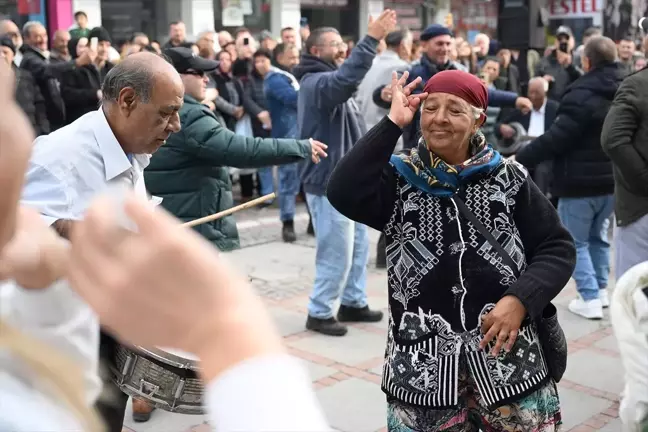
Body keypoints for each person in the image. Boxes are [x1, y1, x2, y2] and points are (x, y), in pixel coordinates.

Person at [327, 69, 575, 431]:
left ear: (479, 120)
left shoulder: (508, 178)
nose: (439, 118)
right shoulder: (398, 177)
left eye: (455, 110)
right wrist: (393, 122)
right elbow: (343, 191)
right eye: (430, 108)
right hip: (422, 368)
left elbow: (557, 246)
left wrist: (521, 298)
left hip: (507, 364)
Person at [19, 51, 183, 431]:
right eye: (166, 112)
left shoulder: (129, 146)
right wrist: (71, 230)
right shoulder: (61, 158)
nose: (174, 125)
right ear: (127, 101)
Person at [144, 47, 327, 253]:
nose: (206, 80)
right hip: (195, 226)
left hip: (170, 220)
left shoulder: (150, 107)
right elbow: (238, 150)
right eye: (199, 73)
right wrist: (299, 147)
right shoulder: (190, 114)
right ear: (175, 77)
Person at [294, 10, 398, 336]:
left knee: (358, 248)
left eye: (344, 44)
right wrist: (370, 39)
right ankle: (319, 310)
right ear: (315, 51)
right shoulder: (316, 83)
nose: (342, 49)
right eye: (335, 45)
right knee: (336, 251)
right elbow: (344, 81)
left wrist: (384, 96)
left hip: (345, 184)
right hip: (326, 184)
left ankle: (353, 301)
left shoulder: (331, 81)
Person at [516, 36, 621, 320]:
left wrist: (521, 158)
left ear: (586, 61)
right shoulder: (625, 86)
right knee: (600, 238)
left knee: (576, 241)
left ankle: (588, 297)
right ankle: (600, 291)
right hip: (613, 180)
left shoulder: (580, 94)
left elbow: (557, 138)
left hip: (579, 183)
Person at [601, 47, 648, 280]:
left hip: (639, 208)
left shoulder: (637, 84)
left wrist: (642, 182)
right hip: (638, 207)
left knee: (634, 297)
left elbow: (612, 138)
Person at [264, 42, 303, 242]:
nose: (296, 60)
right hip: (286, 138)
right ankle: (287, 223)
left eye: (297, 56)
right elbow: (293, 99)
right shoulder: (274, 79)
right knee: (288, 183)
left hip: (303, 135)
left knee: (308, 181)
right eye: (292, 56)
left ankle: (313, 222)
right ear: (279, 57)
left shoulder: (290, 76)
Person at [495, 77, 559, 200]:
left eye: (537, 93)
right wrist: (502, 128)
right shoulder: (523, 107)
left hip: (545, 155)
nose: (533, 96)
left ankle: (540, 205)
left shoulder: (554, 109)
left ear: (545, 93)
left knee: (542, 171)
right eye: (531, 92)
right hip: (521, 152)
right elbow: (498, 126)